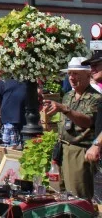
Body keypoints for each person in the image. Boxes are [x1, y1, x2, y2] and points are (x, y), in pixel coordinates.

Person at [44, 57, 100, 201]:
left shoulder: (95, 97)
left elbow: (87, 122)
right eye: (69, 74)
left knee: (77, 198)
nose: (71, 78)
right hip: (63, 149)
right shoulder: (68, 96)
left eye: (76, 74)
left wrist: (65, 109)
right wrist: (56, 155)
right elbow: (63, 125)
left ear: (87, 75)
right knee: (59, 195)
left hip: (79, 151)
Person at [0, 77, 27, 149]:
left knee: (27, 146)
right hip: (9, 119)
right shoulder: (3, 80)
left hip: (26, 118)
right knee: (11, 148)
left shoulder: (27, 79)